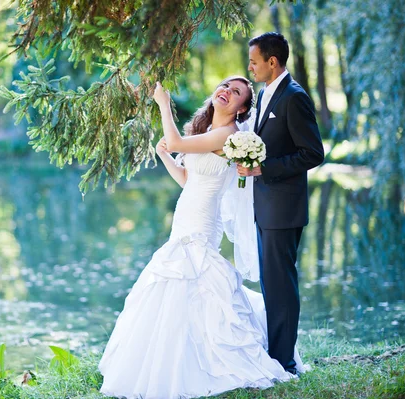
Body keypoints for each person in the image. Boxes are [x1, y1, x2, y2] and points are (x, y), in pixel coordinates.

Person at [98, 76, 304, 399]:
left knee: (196, 280)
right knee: (177, 284)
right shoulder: (208, 131)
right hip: (185, 218)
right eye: (225, 86)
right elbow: (186, 178)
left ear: (242, 108)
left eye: (236, 92)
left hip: (203, 224)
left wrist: (164, 103)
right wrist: (164, 155)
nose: (226, 92)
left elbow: (178, 142)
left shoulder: (227, 136)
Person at [238, 32, 325, 375]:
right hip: (265, 206)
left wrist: (265, 168)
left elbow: (313, 153)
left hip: (284, 208)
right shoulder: (264, 93)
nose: (250, 67)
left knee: (281, 284)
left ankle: (284, 362)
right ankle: (277, 354)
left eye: (254, 61)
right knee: (271, 283)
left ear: (272, 62)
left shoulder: (294, 97)